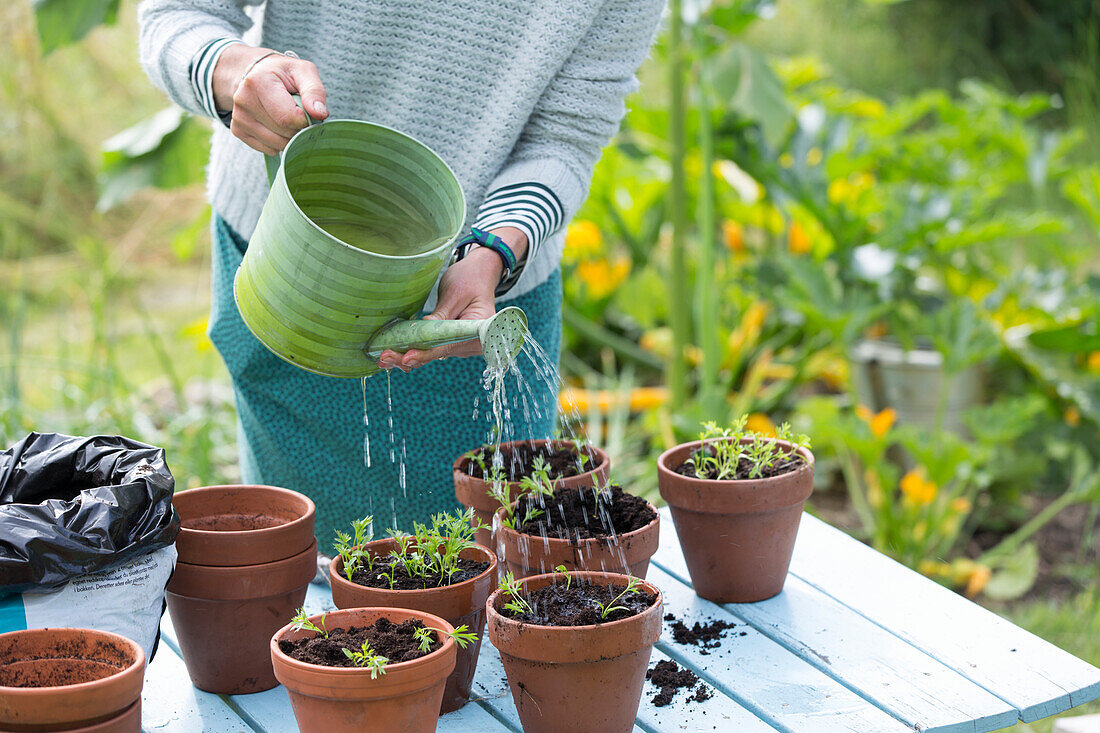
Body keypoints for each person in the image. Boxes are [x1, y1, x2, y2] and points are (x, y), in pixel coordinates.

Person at [137, 0, 666, 550]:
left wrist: (494, 248)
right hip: (291, 267)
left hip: (477, 288)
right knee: (304, 575)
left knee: (504, 567)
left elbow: (566, 133)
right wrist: (232, 70)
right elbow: (178, 14)